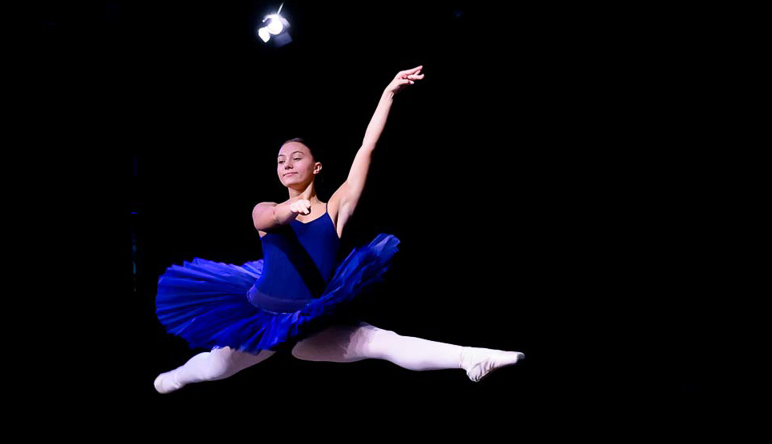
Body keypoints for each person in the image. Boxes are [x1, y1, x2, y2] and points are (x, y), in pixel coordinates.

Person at [153, 65, 524, 393]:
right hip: (261, 318)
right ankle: (175, 378)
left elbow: (366, 149)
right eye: (281, 161)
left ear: (316, 167)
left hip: (314, 324)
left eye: (296, 157)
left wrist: (388, 94)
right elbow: (268, 217)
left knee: (383, 342)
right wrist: (289, 209)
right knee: (215, 368)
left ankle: (469, 357)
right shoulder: (266, 209)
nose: (287, 164)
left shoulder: (335, 210)